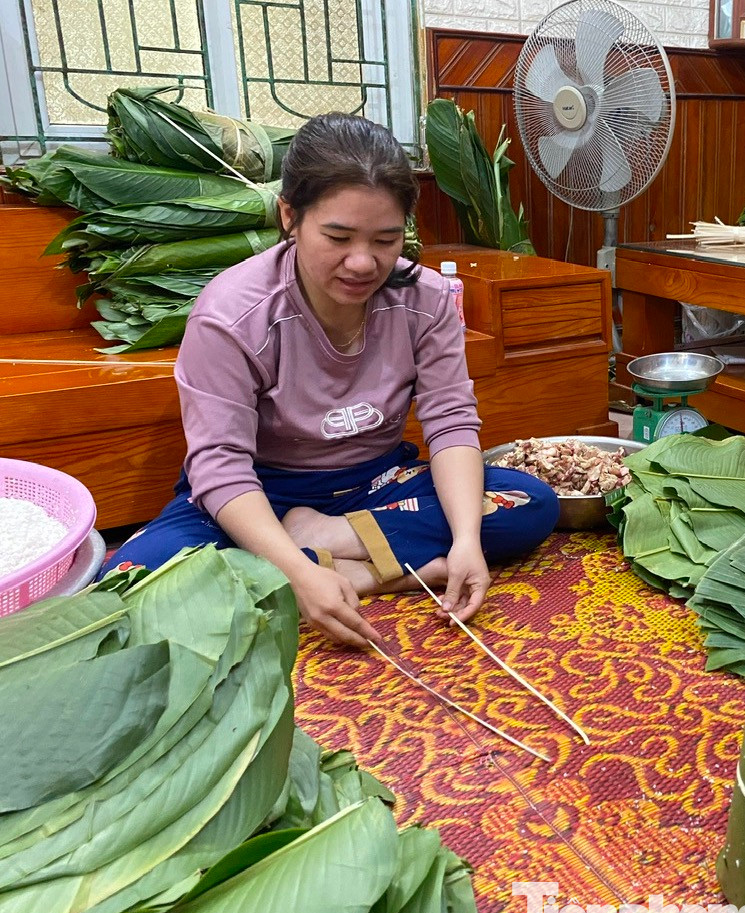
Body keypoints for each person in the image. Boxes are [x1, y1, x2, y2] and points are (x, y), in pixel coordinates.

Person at [102, 113, 559, 647]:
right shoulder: (231, 315)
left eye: (386, 239)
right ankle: (365, 567)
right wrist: (296, 570)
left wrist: (464, 542)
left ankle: (340, 551)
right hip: (264, 491)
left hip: (377, 485)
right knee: (131, 584)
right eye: (337, 237)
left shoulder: (426, 299)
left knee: (527, 503)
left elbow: (451, 424)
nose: (363, 263)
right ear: (289, 216)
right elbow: (220, 467)